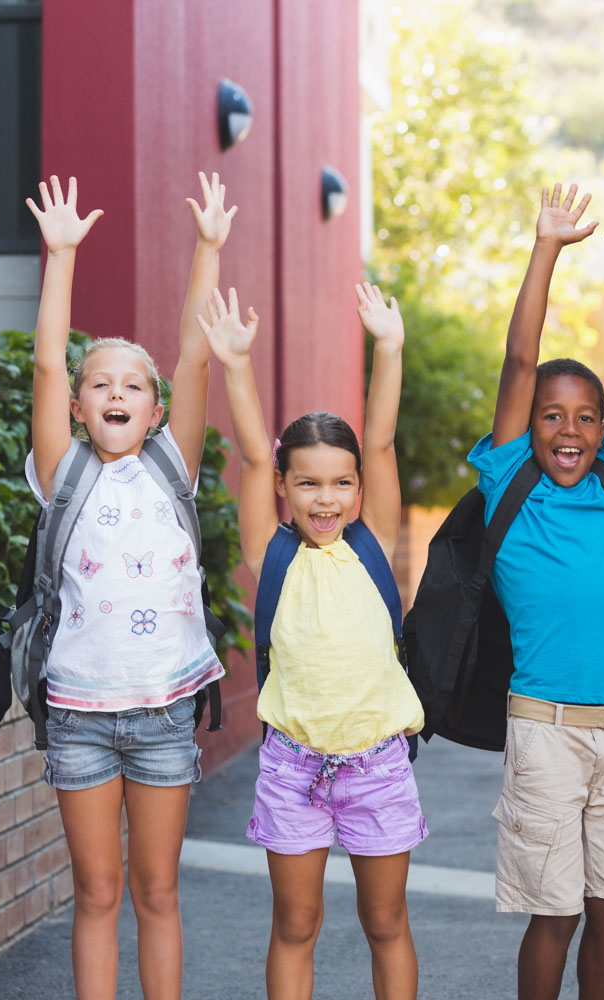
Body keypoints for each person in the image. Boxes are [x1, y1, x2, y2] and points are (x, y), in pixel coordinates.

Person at [23, 174, 230, 1000]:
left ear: (156, 410)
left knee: (157, 892)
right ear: (78, 407)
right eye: (100, 384)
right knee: (98, 893)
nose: (116, 393)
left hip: (162, 713)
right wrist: (62, 254)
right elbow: (44, 359)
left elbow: (194, 353)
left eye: (133, 387)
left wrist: (209, 249)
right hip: (78, 712)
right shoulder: (62, 470)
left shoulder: (171, 468)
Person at [471, 185, 604, 1000]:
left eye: (586, 417)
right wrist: (546, 247)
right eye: (552, 417)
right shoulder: (508, 478)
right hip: (546, 733)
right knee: (553, 915)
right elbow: (521, 361)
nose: (570, 431)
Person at [199, 280, 424, 1000]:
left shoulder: (372, 545)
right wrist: (236, 365)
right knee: (296, 925)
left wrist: (388, 347)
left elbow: (382, 439)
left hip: (378, 766)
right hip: (293, 770)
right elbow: (254, 460)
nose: (325, 500)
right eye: (308, 485)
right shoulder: (272, 555)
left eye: (340, 484)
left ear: (359, 488)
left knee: (385, 922)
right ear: (286, 491)